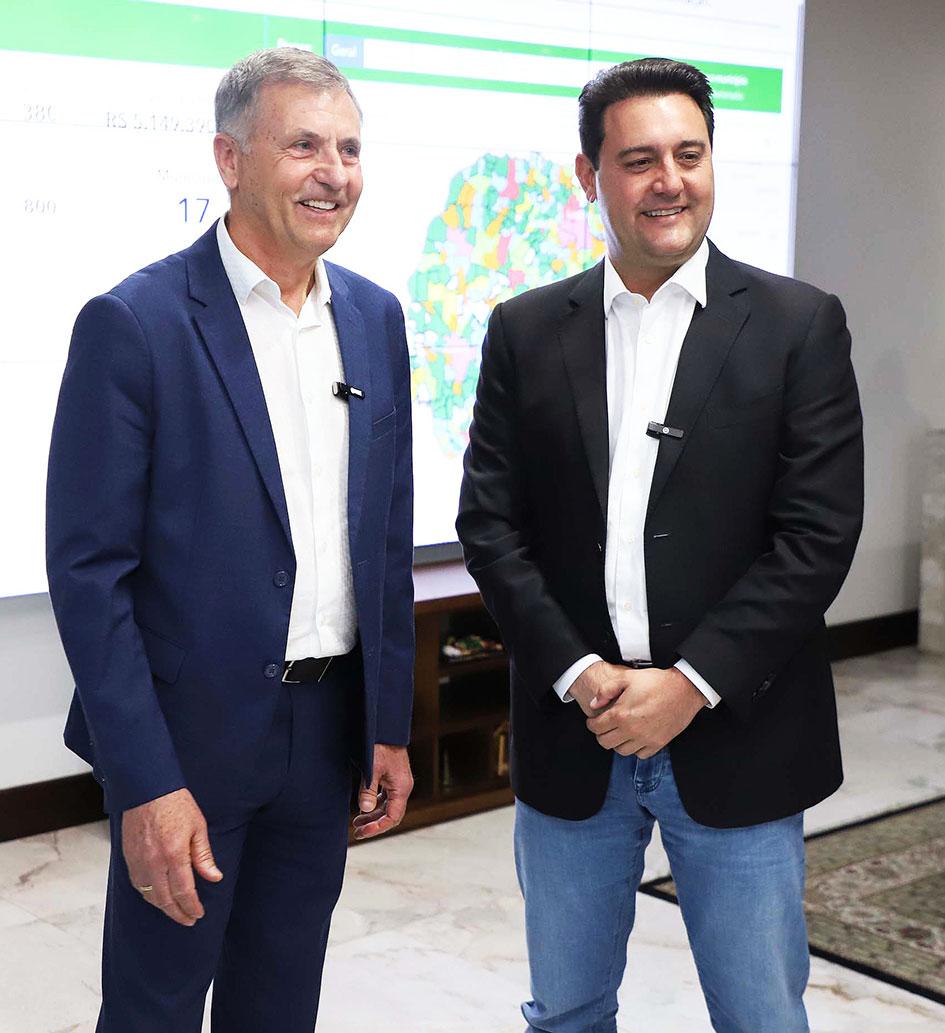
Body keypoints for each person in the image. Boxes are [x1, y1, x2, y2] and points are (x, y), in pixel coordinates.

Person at [457, 58, 863, 1033]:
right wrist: (578, 672)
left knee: (760, 1015)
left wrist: (689, 684)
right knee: (566, 1010)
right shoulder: (524, 330)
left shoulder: (797, 325)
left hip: (739, 732)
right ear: (587, 176)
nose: (668, 180)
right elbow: (490, 526)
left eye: (689, 154)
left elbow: (815, 536)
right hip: (576, 730)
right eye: (638, 160)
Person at [46, 48, 415, 1032]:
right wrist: (146, 780)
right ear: (229, 159)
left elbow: (383, 538)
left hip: (328, 734)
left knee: (280, 1005)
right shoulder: (136, 322)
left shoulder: (374, 318)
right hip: (189, 742)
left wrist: (387, 722)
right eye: (304, 146)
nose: (333, 172)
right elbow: (89, 575)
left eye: (349, 149)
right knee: (155, 1009)